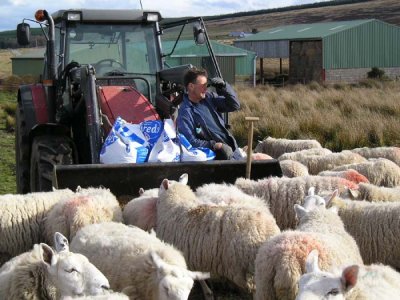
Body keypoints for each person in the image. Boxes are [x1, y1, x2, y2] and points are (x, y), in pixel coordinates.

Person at [176, 67, 240, 160]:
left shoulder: (209, 98)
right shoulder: (185, 112)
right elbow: (190, 141)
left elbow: (234, 105)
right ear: (191, 86)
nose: (206, 88)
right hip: (218, 156)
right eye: (203, 85)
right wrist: (214, 145)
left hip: (233, 148)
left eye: (207, 85)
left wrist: (224, 87)